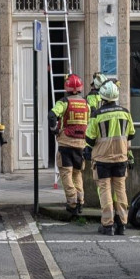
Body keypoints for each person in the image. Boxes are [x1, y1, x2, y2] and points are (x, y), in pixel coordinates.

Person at [85, 80, 135, 236]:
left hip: (102, 159)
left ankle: (108, 225)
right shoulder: (125, 112)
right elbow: (131, 134)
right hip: (121, 157)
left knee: (105, 190)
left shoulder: (97, 115)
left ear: (102, 96)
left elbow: (89, 138)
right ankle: (122, 224)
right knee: (120, 190)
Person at [47, 74, 90, 216]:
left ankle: (72, 204)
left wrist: (54, 129)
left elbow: (52, 115)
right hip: (81, 144)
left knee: (66, 173)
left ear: (67, 88)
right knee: (77, 174)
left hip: (66, 143)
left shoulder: (64, 102)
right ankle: (80, 202)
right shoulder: (86, 104)